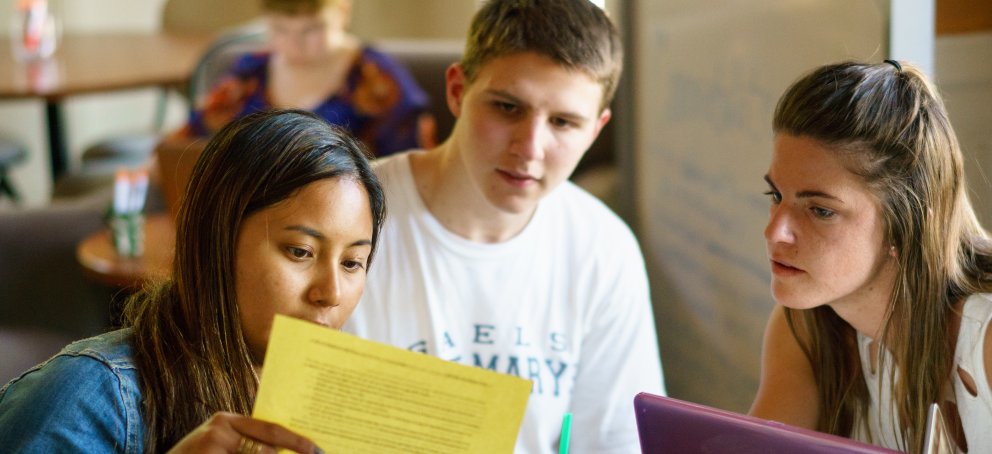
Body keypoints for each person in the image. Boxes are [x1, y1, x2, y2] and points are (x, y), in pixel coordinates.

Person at [343, 1, 665, 452]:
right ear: (457, 90)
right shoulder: (347, 217)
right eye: (508, 108)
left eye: (563, 122)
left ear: (595, 130)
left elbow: (615, 441)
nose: (530, 148)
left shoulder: (604, 249)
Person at [0, 109, 386, 453]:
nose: (331, 293)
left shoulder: (341, 407)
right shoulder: (89, 396)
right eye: (300, 252)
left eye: (353, 262)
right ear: (215, 242)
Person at [749, 60, 992, 453]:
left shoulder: (986, 338)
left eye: (820, 210)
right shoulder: (806, 326)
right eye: (776, 196)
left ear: (905, 225)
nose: (774, 231)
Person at [178, 0, 435, 156]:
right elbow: (186, 144)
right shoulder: (250, 73)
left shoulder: (379, 81)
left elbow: (410, 172)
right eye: (280, 29)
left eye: (311, 29)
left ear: (343, 13)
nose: (295, 45)